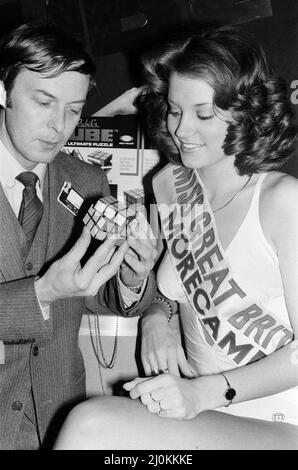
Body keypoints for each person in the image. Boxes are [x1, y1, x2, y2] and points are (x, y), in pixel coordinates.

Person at [53, 24, 298, 450]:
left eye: (203, 114)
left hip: (278, 417)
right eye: (174, 109)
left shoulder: (282, 201)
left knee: (91, 425)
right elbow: (173, 289)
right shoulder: (171, 184)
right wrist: (155, 319)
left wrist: (204, 392)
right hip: (202, 411)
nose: (182, 129)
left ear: (245, 112)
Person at [0, 21, 157, 450]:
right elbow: (51, 291)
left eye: (73, 109)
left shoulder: (87, 180)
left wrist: (127, 280)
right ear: (3, 91)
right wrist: (42, 293)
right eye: (43, 101)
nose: (59, 126)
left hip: (59, 416)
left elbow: (87, 293)